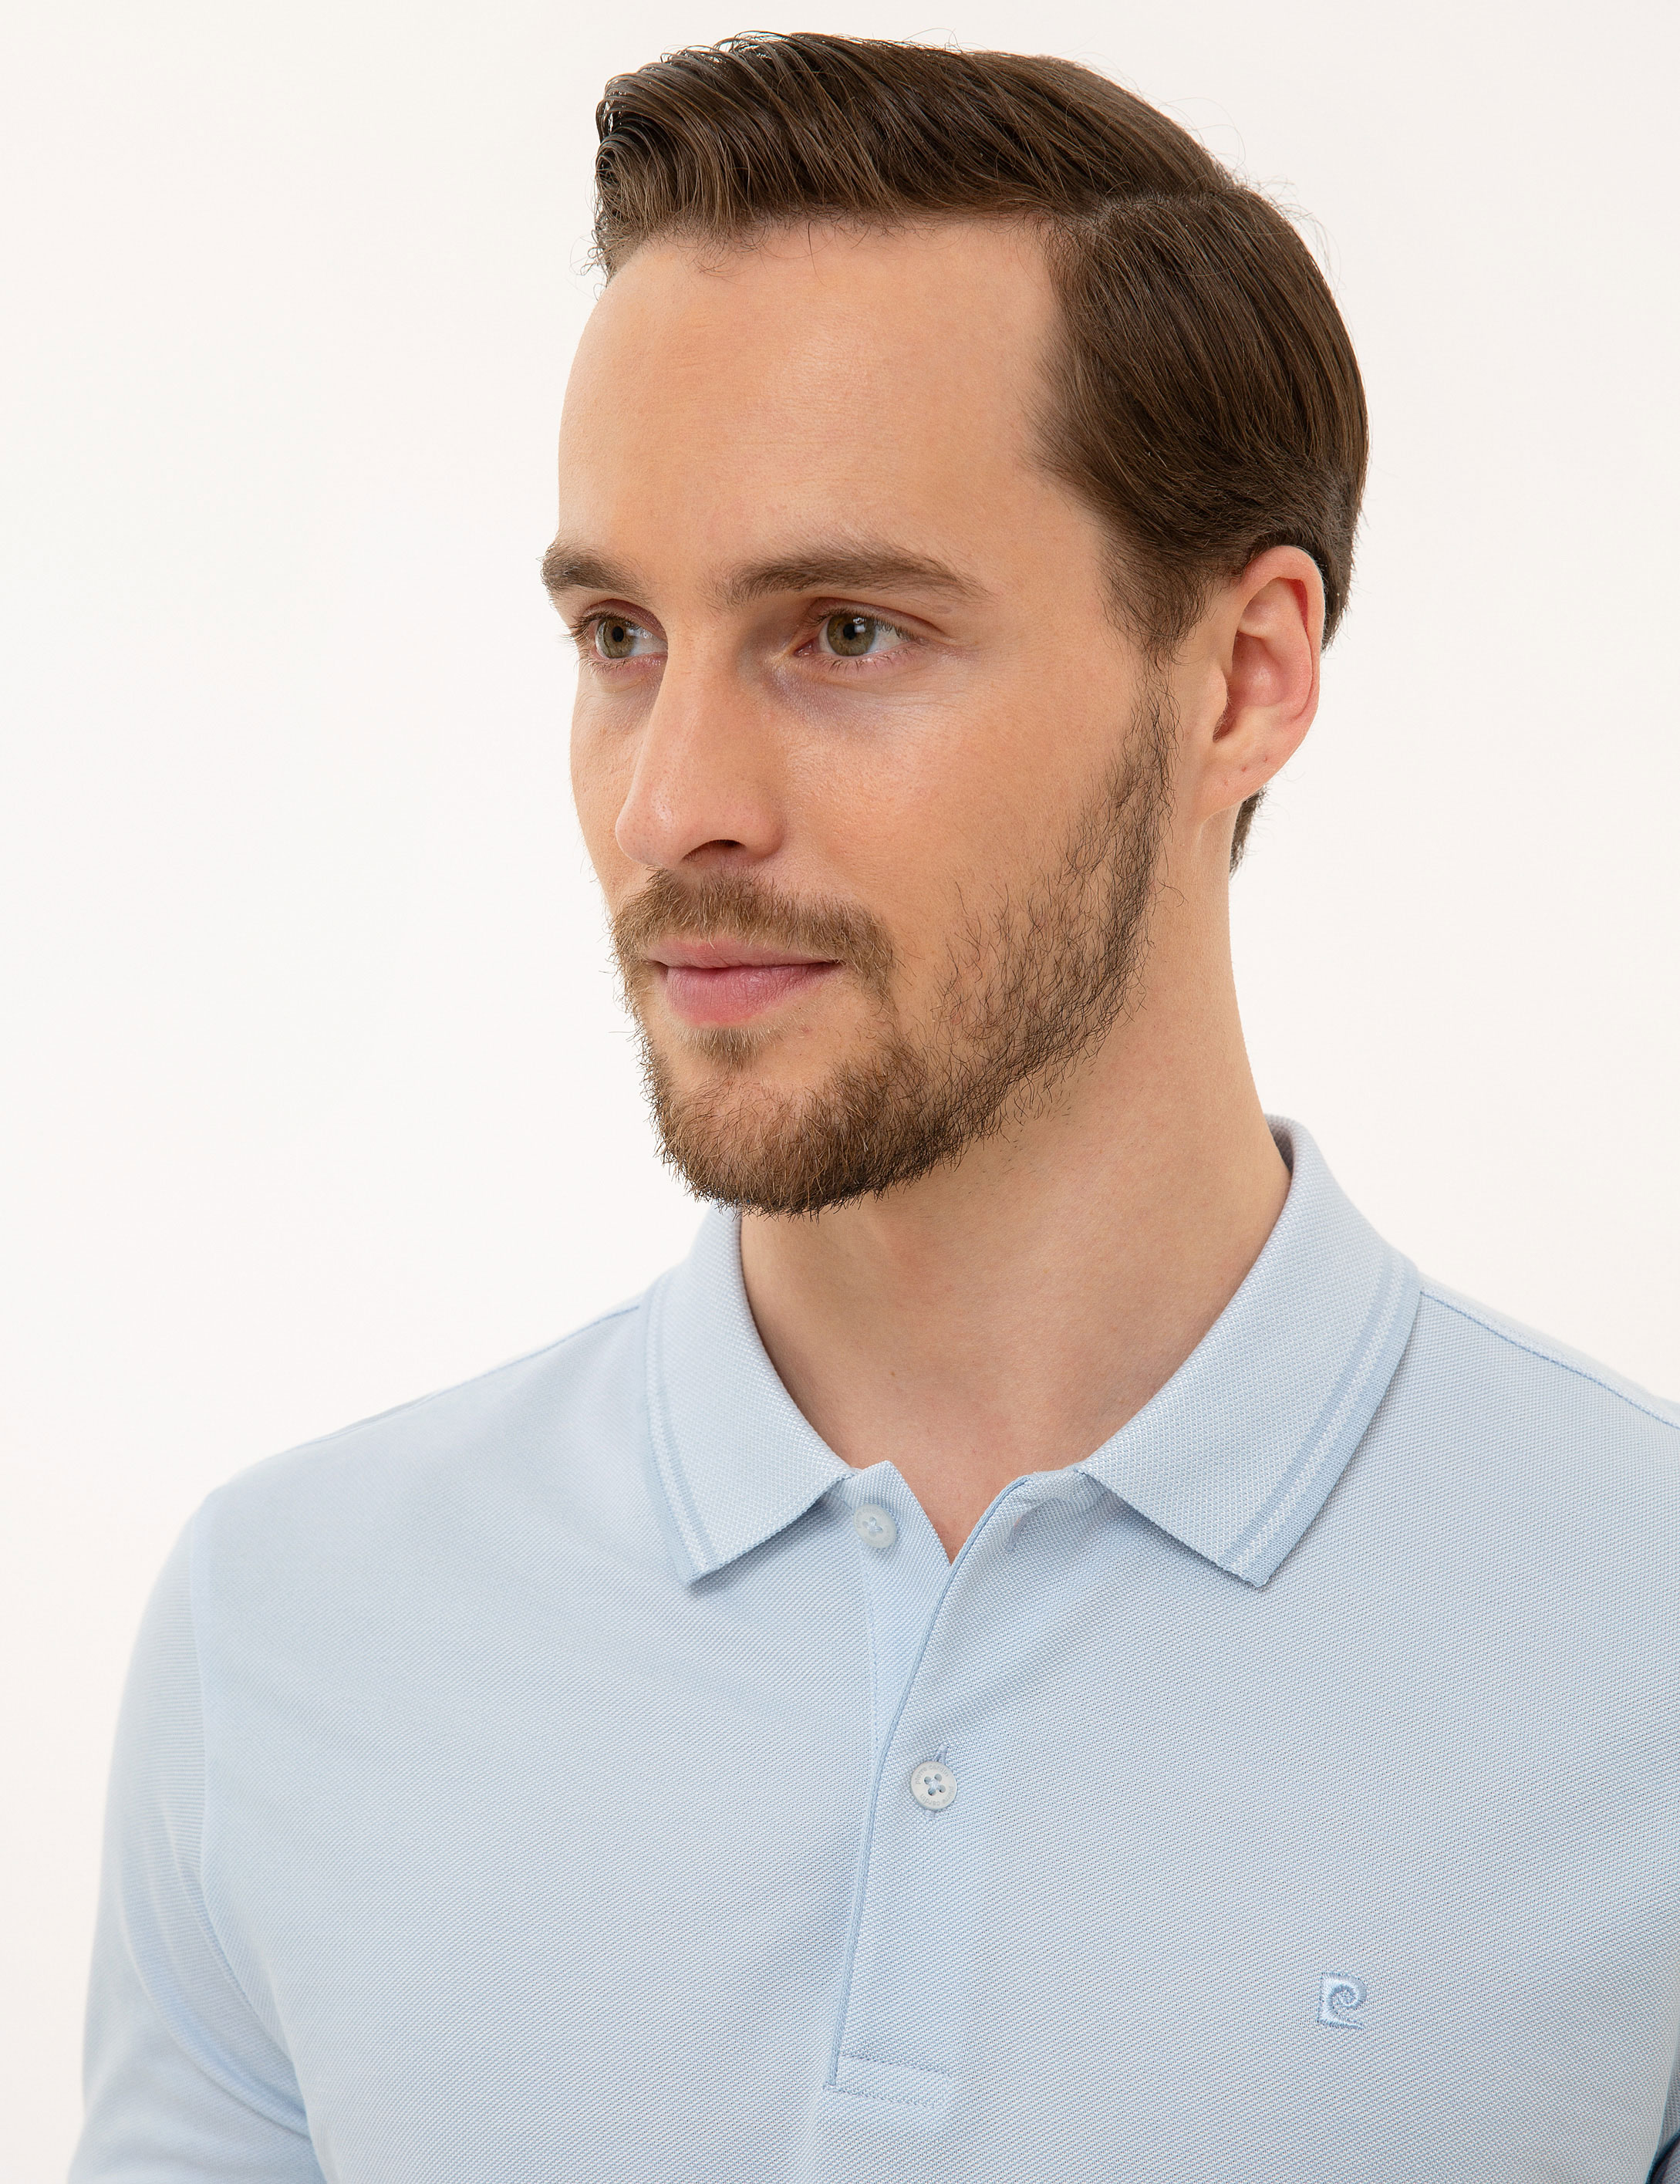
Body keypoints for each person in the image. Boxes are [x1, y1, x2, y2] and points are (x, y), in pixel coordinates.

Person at [73, 32, 1680, 2183]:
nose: (672, 806)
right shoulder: (286, 1637)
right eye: (620, 635)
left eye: (843, 631)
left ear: (1242, 675)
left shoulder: (1638, 1644)